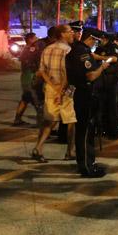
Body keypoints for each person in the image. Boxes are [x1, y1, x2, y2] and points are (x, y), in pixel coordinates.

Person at [67, 28, 114, 178]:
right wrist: (103, 66)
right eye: (95, 40)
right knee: (85, 132)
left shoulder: (77, 49)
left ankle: (88, 162)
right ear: (91, 38)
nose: (95, 43)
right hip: (85, 95)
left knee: (86, 131)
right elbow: (91, 75)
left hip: (83, 94)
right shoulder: (82, 52)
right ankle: (86, 167)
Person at [31, 25, 77, 163]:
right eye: (70, 32)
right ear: (62, 34)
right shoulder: (69, 50)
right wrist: (61, 90)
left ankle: (38, 148)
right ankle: (70, 151)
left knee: (50, 120)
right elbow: (67, 73)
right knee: (71, 121)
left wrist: (52, 86)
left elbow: (42, 71)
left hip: (51, 88)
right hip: (66, 90)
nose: (72, 34)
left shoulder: (47, 49)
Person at [95, 32, 118, 139]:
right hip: (102, 81)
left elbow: (114, 58)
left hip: (112, 82)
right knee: (101, 107)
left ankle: (113, 132)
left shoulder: (113, 47)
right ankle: (101, 129)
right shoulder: (100, 48)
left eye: (101, 39)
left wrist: (99, 57)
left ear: (105, 39)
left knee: (112, 107)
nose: (99, 41)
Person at [13, 32, 41, 126]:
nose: (37, 39)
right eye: (35, 38)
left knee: (25, 99)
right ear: (30, 39)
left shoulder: (25, 49)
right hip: (30, 78)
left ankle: (17, 119)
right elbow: (31, 64)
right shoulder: (31, 50)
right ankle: (41, 123)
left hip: (25, 78)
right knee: (37, 101)